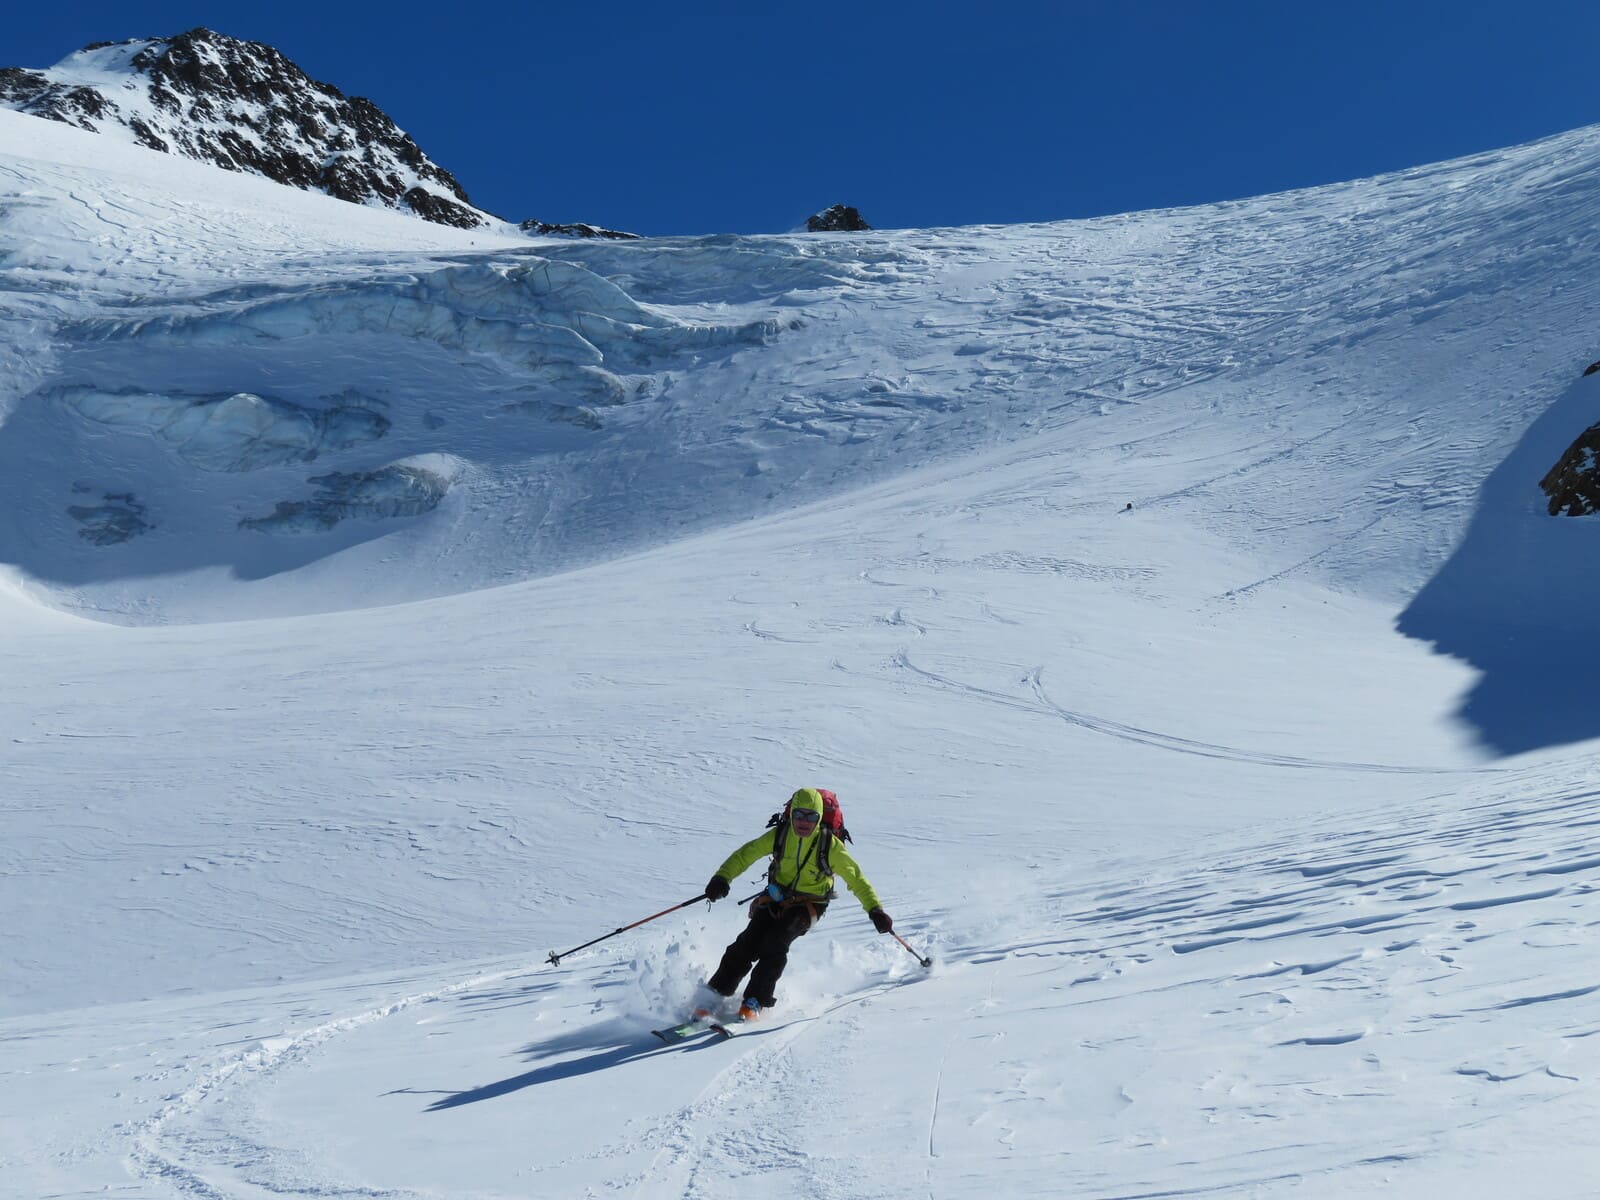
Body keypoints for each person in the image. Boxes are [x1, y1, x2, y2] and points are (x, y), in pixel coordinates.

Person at [700, 787, 892, 1021]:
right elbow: (745, 855)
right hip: (776, 896)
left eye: (812, 816)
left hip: (810, 904)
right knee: (747, 942)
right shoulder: (780, 835)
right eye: (799, 814)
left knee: (776, 941)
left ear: (819, 818)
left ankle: (755, 1001)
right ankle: (714, 994)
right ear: (791, 815)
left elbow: (857, 879)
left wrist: (875, 910)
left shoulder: (829, 846)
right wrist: (722, 878)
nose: (804, 821)